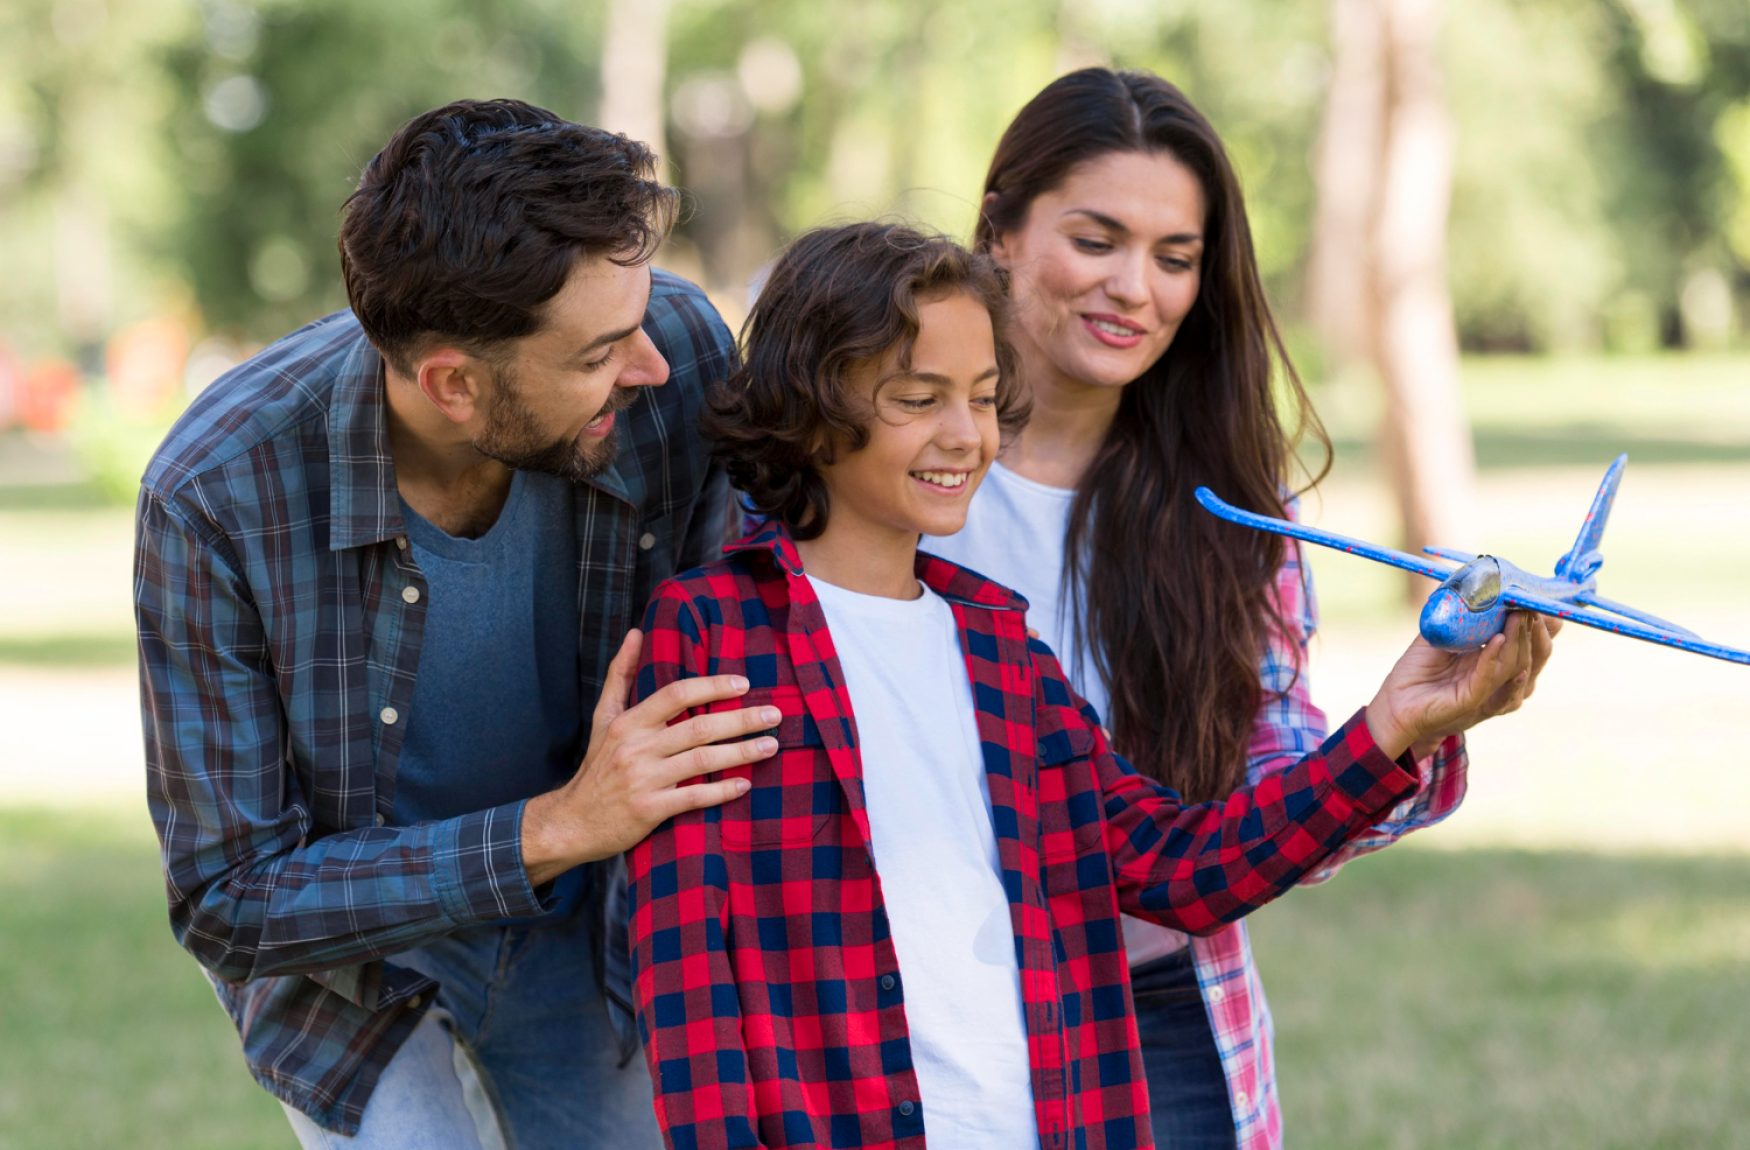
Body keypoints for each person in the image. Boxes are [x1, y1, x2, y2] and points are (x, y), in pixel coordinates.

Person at [625, 221, 1544, 1149]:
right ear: (812, 409)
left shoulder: (1000, 647)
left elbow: (1184, 869)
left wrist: (1394, 722)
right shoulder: (713, 635)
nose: (964, 435)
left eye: (984, 398)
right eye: (918, 398)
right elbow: (690, 977)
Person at [923, 67, 1560, 1149]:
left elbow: (1262, 809)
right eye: (1096, 239)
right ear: (999, 231)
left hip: (1156, 1014)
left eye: (1176, 258)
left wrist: (1398, 734)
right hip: (915, 1011)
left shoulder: (1231, 522)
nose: (1137, 288)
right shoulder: (874, 464)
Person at [134, 99, 776, 1149]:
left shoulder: (675, 352)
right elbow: (228, 897)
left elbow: (766, 606)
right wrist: (559, 822)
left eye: (640, 319)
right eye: (599, 353)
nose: (649, 366)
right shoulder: (216, 495)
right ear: (453, 384)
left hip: (591, 925)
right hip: (352, 967)